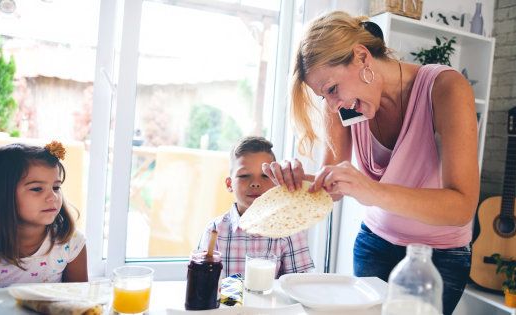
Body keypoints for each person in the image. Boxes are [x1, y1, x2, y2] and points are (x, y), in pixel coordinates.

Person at [262, 11, 479, 315]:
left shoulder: (445, 89)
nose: (333, 104)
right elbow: (332, 188)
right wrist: (299, 181)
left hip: (437, 260)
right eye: (325, 97)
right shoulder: (344, 107)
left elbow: (462, 207)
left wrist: (370, 191)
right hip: (374, 244)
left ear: (361, 57)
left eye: (332, 89)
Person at [0, 142, 87, 303]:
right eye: (37, 189)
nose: (53, 197)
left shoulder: (70, 243)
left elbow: (78, 304)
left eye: (56, 187)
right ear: (1, 195)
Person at [198, 136, 314, 279]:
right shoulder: (215, 230)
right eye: (245, 175)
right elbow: (202, 280)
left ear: (277, 183)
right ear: (229, 184)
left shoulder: (291, 231)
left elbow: (298, 285)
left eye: (265, 176)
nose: (255, 183)